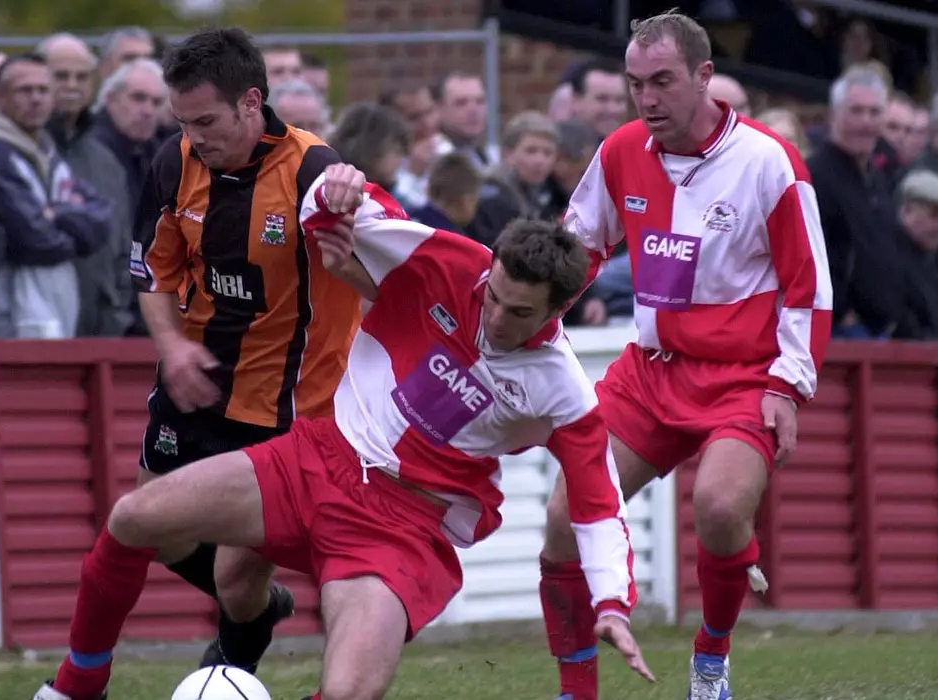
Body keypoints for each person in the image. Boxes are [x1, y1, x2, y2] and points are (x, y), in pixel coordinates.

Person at [33, 163, 656, 700]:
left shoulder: (562, 387)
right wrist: (337, 191)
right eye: (492, 297)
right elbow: (341, 210)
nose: (493, 317)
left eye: (519, 312)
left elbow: (597, 505)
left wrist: (611, 604)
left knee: (352, 690)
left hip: (401, 527)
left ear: (557, 309)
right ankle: (74, 685)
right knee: (137, 519)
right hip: (321, 458)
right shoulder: (452, 261)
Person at [33, 27, 364, 700]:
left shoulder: (312, 172)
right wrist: (174, 347)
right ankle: (218, 649)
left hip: (292, 406)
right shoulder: (174, 160)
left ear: (251, 103)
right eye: (183, 121)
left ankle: (212, 671)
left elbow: (381, 259)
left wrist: (356, 203)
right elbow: (152, 274)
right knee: (153, 527)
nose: (195, 137)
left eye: (207, 121)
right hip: (199, 381)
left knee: (239, 576)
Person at [539, 10, 832, 700]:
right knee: (561, 520)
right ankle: (575, 689)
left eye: (662, 81)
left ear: (704, 76)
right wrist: (521, 311)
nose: (647, 99)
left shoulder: (768, 161)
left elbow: (808, 285)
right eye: (635, 83)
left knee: (722, 508)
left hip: (743, 377)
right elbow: (576, 247)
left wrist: (787, 387)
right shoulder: (620, 151)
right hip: (652, 373)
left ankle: (710, 660)